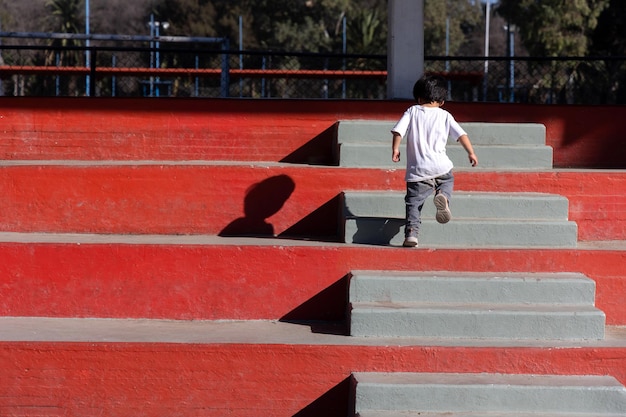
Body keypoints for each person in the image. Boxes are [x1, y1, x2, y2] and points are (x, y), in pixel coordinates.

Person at [391, 74, 478, 247]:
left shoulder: (412, 111)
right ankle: (443, 195)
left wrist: (395, 149)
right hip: (441, 166)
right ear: (442, 101)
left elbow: (398, 131)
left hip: (419, 170)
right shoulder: (445, 115)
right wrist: (471, 152)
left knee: (414, 203)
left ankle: (411, 234)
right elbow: (461, 135)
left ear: (418, 98)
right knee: (448, 180)